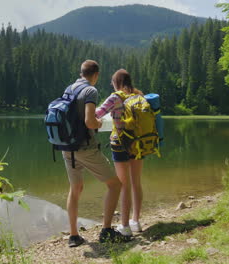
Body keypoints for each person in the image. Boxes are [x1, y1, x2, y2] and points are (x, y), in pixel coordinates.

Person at [62, 60, 126, 247]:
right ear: (95, 75)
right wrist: (100, 123)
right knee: (115, 185)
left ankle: (74, 236)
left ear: (81, 72)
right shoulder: (90, 90)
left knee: (75, 189)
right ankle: (106, 231)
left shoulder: (69, 88)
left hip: (67, 147)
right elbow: (90, 121)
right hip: (86, 148)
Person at [95, 69, 144, 238]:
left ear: (117, 82)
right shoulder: (139, 96)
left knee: (124, 185)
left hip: (121, 143)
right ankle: (135, 221)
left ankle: (124, 226)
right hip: (138, 143)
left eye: (112, 82)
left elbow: (97, 114)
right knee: (136, 182)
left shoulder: (115, 97)